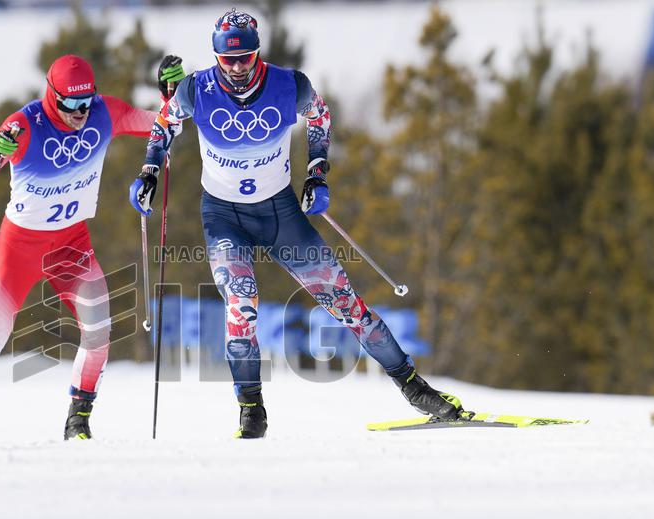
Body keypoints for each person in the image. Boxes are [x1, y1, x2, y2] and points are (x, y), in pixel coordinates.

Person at [128, 10, 466, 438]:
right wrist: (149, 174)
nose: (236, 69)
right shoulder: (197, 89)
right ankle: (252, 411)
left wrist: (317, 172)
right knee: (241, 306)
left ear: (257, 53)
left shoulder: (290, 85)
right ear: (216, 58)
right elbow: (163, 127)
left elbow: (320, 119)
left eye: (245, 58)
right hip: (224, 215)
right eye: (227, 60)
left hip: (279, 213)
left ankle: (416, 389)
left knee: (344, 302)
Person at [0, 53, 185, 443]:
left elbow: (164, 127)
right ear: (53, 97)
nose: (81, 113)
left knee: (100, 333)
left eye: (86, 103)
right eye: (71, 105)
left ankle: (77, 421)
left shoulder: (104, 113)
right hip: (20, 248)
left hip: (71, 245)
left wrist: (173, 97)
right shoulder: (24, 124)